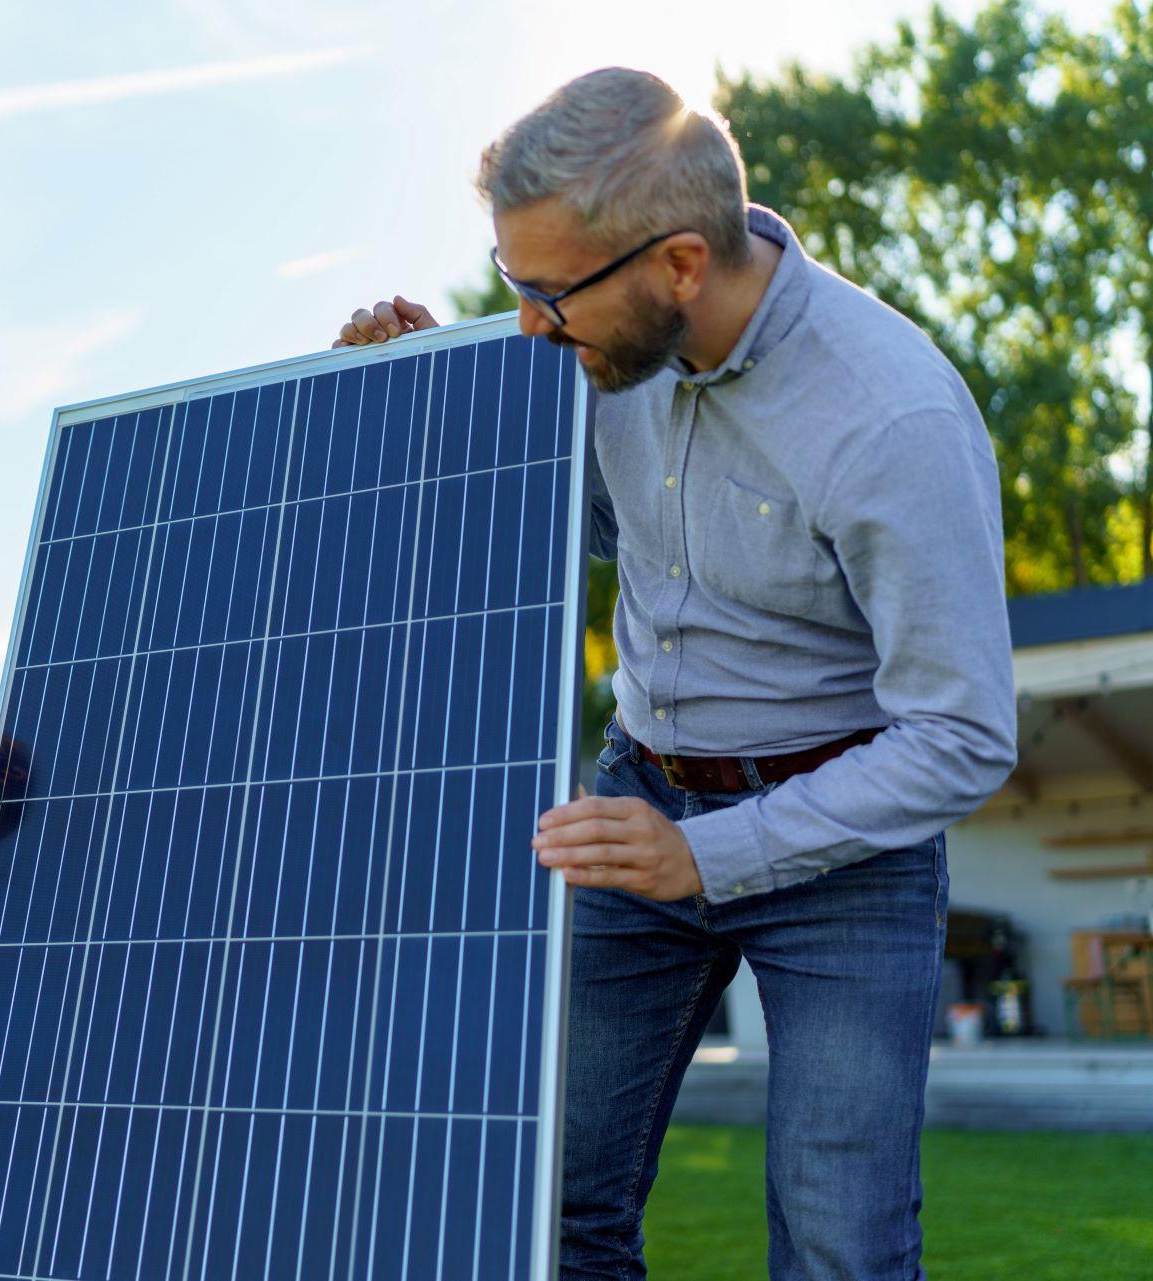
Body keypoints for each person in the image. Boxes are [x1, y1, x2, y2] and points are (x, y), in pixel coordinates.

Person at [334, 67, 1016, 1279]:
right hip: (639, 796)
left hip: (844, 846)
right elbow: (589, 523)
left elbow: (960, 736)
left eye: (550, 294)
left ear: (681, 265)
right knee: (544, 1206)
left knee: (840, 1243)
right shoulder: (607, 352)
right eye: (514, 285)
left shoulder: (892, 423)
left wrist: (710, 855)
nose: (531, 325)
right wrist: (441, 396)